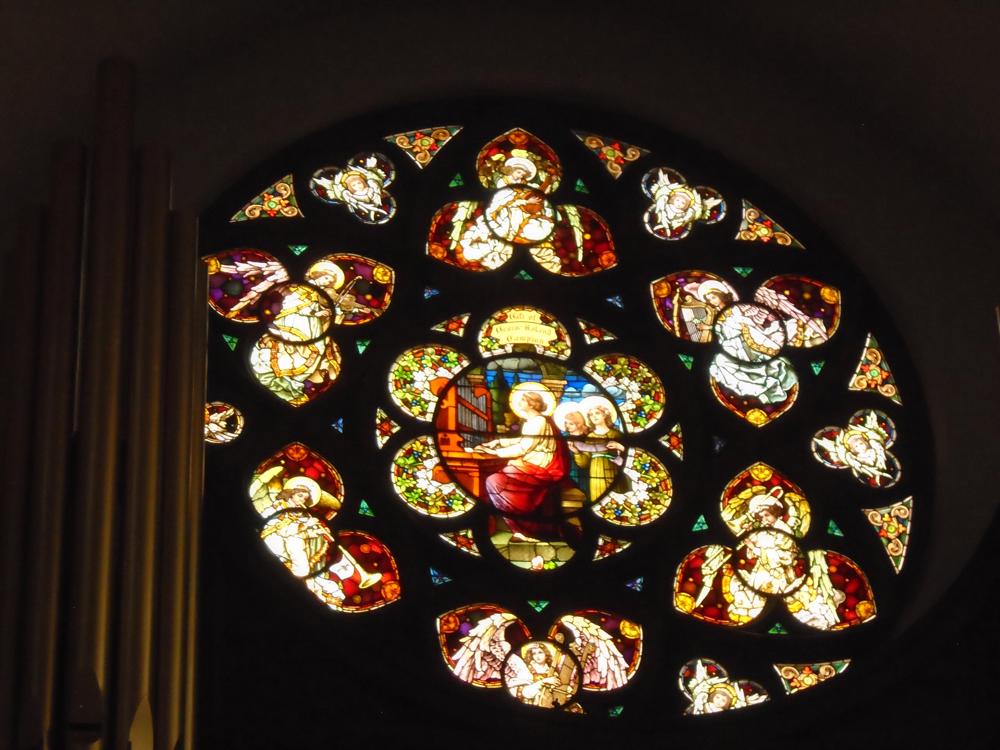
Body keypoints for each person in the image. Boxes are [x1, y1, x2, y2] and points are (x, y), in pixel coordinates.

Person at [476, 387, 569, 539]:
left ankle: (523, 526)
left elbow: (523, 448)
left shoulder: (538, 421)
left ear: (532, 404)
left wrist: (495, 452)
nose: (519, 402)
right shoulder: (535, 421)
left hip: (541, 467)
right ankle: (518, 527)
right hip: (533, 463)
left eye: (523, 400)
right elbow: (523, 440)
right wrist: (499, 442)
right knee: (497, 478)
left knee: (494, 481)